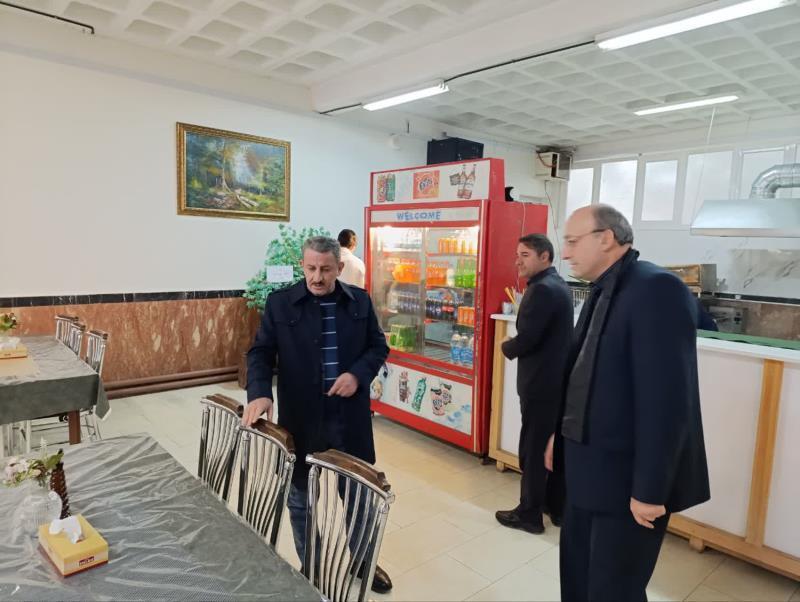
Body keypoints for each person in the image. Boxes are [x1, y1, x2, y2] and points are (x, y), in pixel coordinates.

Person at [557, 205, 710, 602]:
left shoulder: (656, 289)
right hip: (586, 465)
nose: (565, 252)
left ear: (606, 238)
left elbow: (667, 401)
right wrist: (557, 439)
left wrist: (650, 490)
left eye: (572, 241)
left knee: (613, 589)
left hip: (626, 480)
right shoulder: (602, 287)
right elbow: (583, 374)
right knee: (577, 577)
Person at [242, 236, 392, 593]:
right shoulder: (281, 303)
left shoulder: (359, 301)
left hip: (348, 417)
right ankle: (311, 561)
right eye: (310, 268)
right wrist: (260, 392)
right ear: (302, 265)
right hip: (301, 417)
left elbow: (378, 347)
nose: (317, 277)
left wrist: (357, 375)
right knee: (300, 498)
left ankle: (363, 560)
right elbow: (260, 352)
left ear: (340, 267)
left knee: (357, 496)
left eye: (325, 269)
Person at [496, 234, 573, 534]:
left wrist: (505, 345)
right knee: (551, 448)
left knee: (533, 449)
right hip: (554, 383)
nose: (518, 261)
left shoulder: (541, 289)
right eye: (517, 254)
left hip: (540, 385)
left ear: (545, 257)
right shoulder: (558, 284)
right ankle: (555, 507)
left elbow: (528, 339)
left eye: (525, 255)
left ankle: (529, 514)